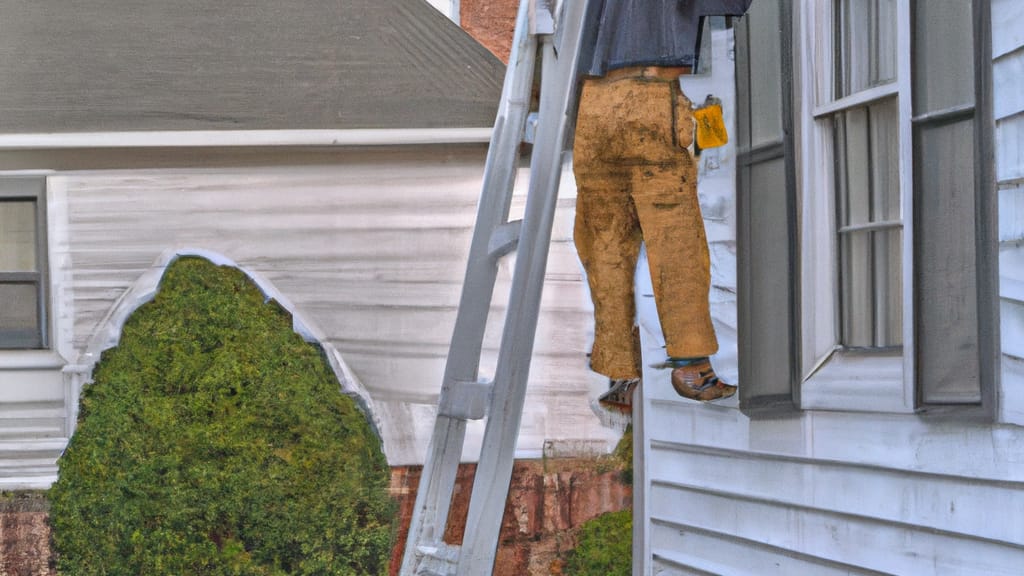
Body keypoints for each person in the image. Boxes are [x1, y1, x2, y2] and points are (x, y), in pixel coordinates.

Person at [573, 0, 753, 411]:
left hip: (592, 106)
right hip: (650, 94)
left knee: (604, 243)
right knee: (675, 241)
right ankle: (691, 365)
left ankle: (619, 370)